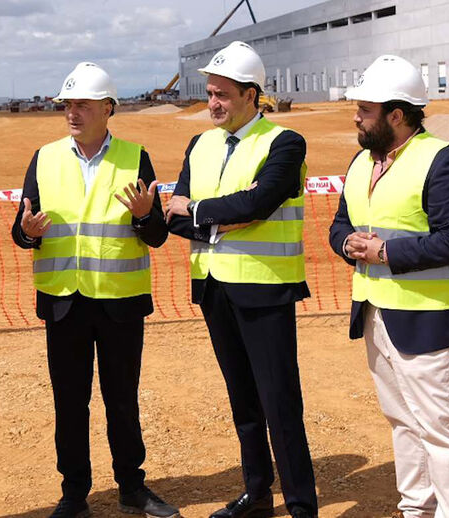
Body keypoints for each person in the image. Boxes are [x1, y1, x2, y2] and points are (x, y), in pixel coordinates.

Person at [11, 62, 178, 518]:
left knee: (122, 399)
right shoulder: (44, 158)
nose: (72, 112)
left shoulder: (134, 156)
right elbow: (21, 229)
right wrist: (27, 232)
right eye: (68, 104)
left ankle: (132, 487)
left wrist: (145, 215)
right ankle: (73, 495)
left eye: (83, 104)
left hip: (119, 305)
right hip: (64, 303)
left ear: (108, 108)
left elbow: (157, 234)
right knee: (70, 403)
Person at [166, 41, 317, 518]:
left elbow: (258, 203)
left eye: (223, 95)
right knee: (243, 401)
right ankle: (257, 495)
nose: (212, 103)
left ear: (252, 95)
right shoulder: (201, 143)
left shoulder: (284, 143)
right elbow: (173, 217)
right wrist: (220, 214)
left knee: (279, 403)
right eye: (210, 93)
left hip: (263, 287)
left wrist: (199, 210)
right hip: (213, 287)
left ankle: (301, 505)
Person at [329, 55, 449, 518]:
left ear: (397, 115)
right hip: (376, 313)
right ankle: (416, 507)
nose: (356, 116)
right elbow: (340, 223)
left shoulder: (444, 160)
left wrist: (385, 253)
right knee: (401, 421)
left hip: (429, 318)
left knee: (440, 427)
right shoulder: (361, 161)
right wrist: (348, 243)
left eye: (366, 110)